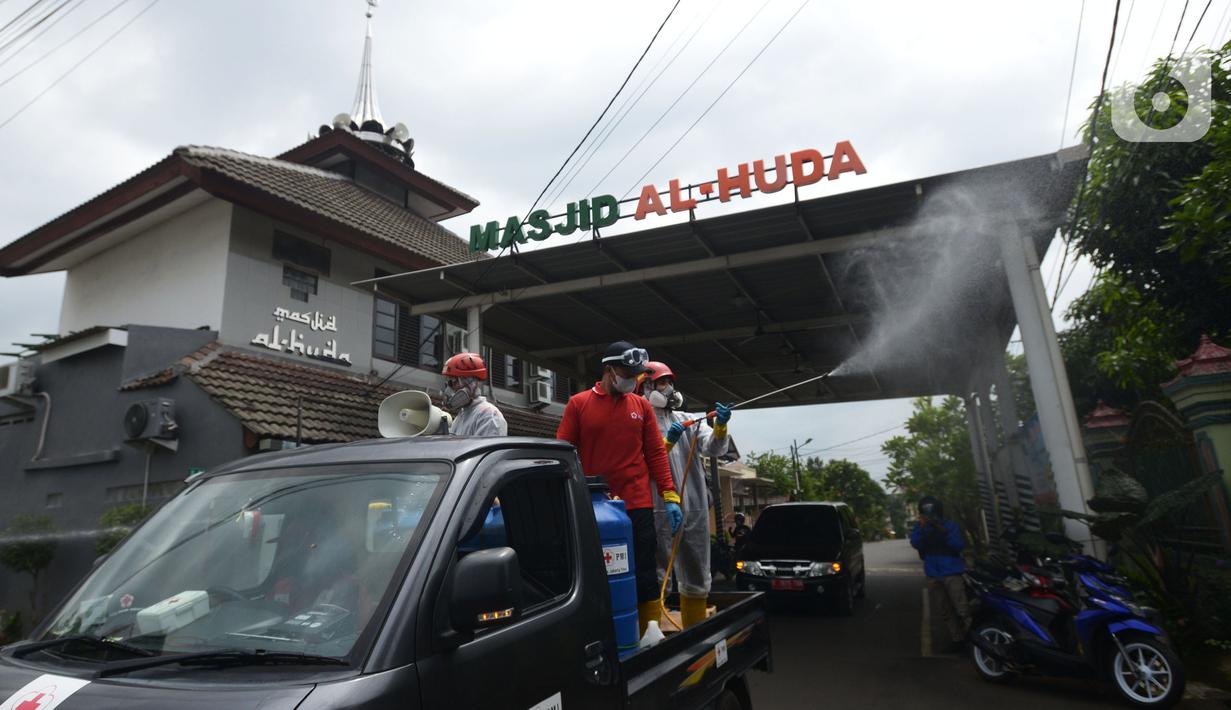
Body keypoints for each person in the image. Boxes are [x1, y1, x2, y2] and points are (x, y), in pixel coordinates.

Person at [556, 341, 682, 637]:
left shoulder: (641, 407)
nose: (632, 379)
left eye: (636, 374)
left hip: (637, 504)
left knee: (645, 571)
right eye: (627, 373)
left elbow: (655, 454)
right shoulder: (579, 403)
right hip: (594, 507)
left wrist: (670, 495)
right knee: (597, 573)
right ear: (609, 370)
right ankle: (603, 632)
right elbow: (563, 452)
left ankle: (648, 630)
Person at [642, 360, 731, 629]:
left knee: (696, 568)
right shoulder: (639, 421)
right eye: (661, 383)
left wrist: (720, 427)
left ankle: (695, 631)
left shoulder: (686, 420)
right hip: (658, 505)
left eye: (670, 382)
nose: (668, 388)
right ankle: (650, 635)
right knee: (658, 573)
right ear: (645, 387)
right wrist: (666, 442)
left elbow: (713, 449)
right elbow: (639, 464)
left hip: (693, 505)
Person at [910, 495, 970, 653]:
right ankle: (957, 640)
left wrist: (942, 531)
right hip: (933, 574)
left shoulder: (950, 526)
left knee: (962, 609)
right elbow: (916, 543)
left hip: (952, 572)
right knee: (945, 610)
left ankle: (973, 639)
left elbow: (958, 545)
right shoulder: (921, 528)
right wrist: (924, 529)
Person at [441, 352, 507, 436]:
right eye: (448, 383)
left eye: (454, 382)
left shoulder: (488, 415)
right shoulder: (461, 416)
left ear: (470, 383)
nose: (449, 389)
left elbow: (485, 448)